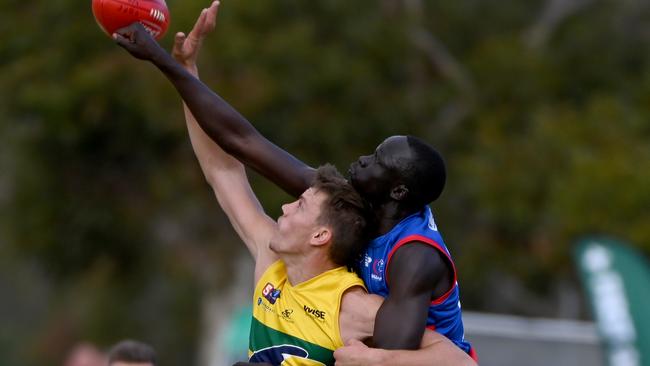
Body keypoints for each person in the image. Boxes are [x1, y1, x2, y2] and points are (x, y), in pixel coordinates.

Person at [113, 2, 476, 362]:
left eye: (378, 160)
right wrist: (180, 68)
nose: (287, 203)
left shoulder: (406, 264)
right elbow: (235, 150)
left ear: (397, 191)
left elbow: (453, 362)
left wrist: (375, 360)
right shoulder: (293, 246)